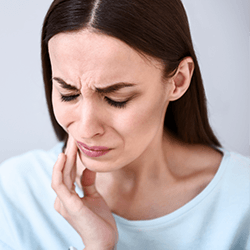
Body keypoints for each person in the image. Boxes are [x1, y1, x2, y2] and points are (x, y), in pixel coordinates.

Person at [0, 0, 249, 249]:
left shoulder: (242, 200)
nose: (86, 129)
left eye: (116, 99)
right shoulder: (13, 195)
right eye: (68, 94)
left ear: (178, 80)